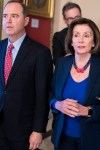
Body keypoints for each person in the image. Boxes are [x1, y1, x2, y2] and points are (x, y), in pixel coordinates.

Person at [49, 18, 100, 150]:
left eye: (86, 35)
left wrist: (87, 111)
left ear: (93, 42)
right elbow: (50, 94)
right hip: (62, 138)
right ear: (71, 41)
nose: (81, 40)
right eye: (76, 35)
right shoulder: (62, 64)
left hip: (93, 139)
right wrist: (58, 104)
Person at [0, 1, 53, 150]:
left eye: (14, 16)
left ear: (26, 20)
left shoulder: (40, 53)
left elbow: (42, 95)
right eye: (5, 16)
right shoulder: (0, 47)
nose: (8, 20)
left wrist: (38, 129)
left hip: (23, 129)